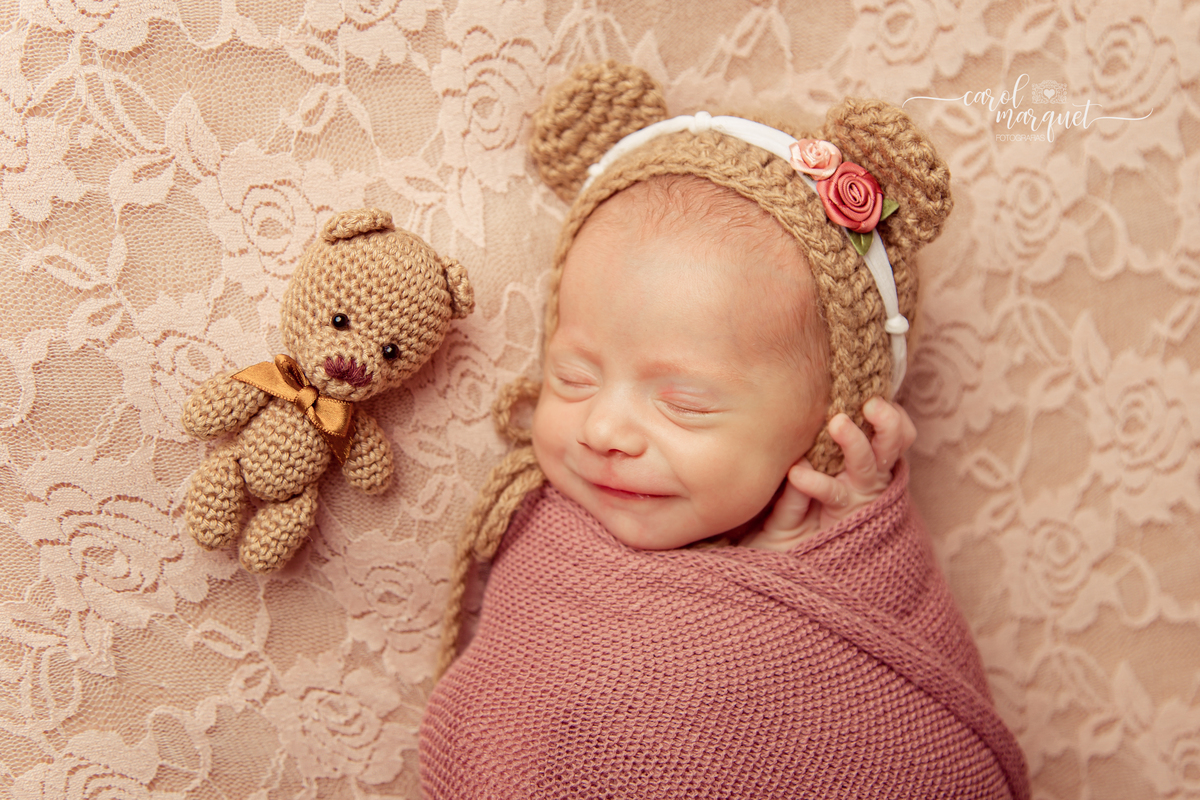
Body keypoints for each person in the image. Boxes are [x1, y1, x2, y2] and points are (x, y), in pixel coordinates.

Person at [420, 62, 1030, 800]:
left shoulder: (844, 571)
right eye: (572, 377)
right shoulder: (548, 544)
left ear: (825, 428)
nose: (604, 428)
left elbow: (911, 738)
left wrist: (846, 538)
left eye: (684, 404)